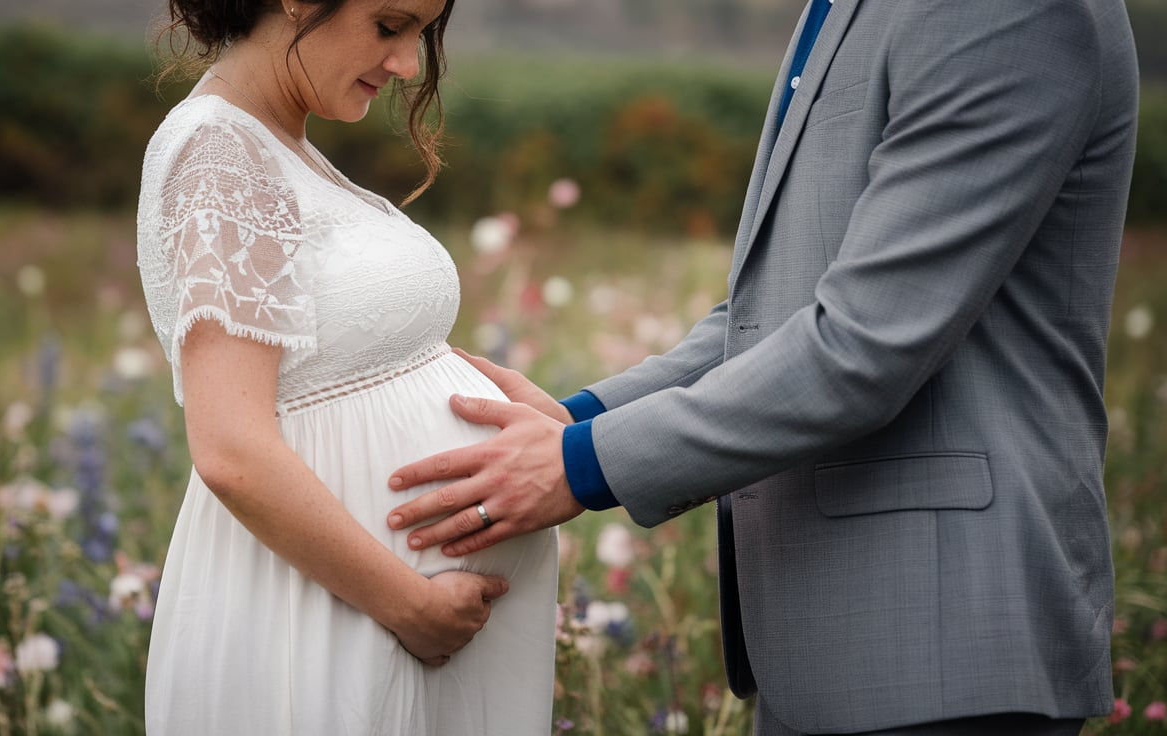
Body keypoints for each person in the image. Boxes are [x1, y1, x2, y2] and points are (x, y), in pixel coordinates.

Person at [387, 0, 1140, 734]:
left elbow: (865, 345)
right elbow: (773, 320)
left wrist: (579, 465)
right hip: (829, 642)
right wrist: (576, 420)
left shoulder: (1003, 12)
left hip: (946, 639)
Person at [134, 0, 558, 733]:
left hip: (372, 618)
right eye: (389, 27)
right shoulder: (218, 155)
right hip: (323, 620)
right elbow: (230, 449)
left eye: (419, 35)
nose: (406, 66)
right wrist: (410, 604)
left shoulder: (280, 144)